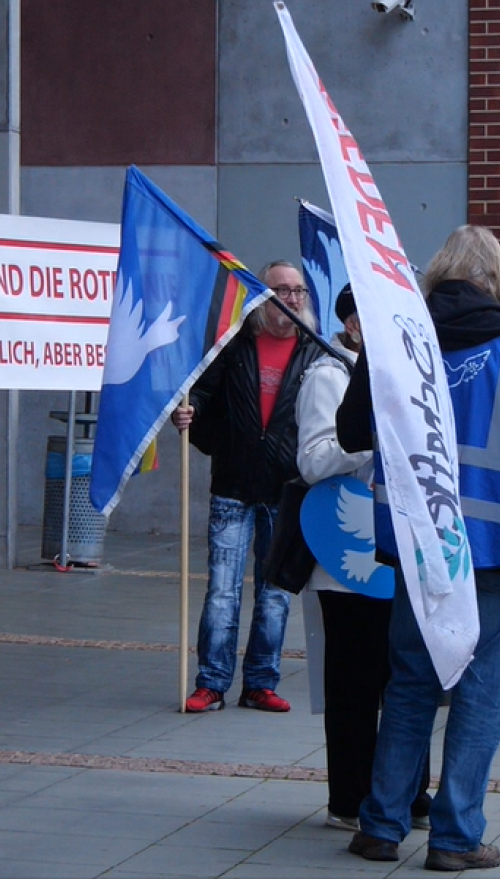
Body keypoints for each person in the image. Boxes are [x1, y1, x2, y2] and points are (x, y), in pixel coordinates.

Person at [337, 225, 500, 871]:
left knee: (412, 681)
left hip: (420, 546)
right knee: (484, 690)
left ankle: (381, 825)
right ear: (496, 277)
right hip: (499, 544)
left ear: (439, 272)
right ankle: (455, 835)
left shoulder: (394, 333)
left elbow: (352, 428)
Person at [294, 284, 431, 832]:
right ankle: (349, 800)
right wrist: (378, 443)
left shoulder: (404, 376)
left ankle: (409, 794)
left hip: (397, 548)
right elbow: (312, 460)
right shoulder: (329, 376)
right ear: (354, 326)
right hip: (347, 555)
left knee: (405, 676)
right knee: (353, 683)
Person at [172, 261, 325, 713]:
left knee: (275, 595)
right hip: (233, 484)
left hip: (286, 490)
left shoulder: (315, 353)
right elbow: (201, 394)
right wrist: (191, 415)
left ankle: (260, 681)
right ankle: (212, 682)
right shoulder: (234, 345)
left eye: (299, 291)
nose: (292, 299)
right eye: (282, 290)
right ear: (263, 297)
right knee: (221, 591)